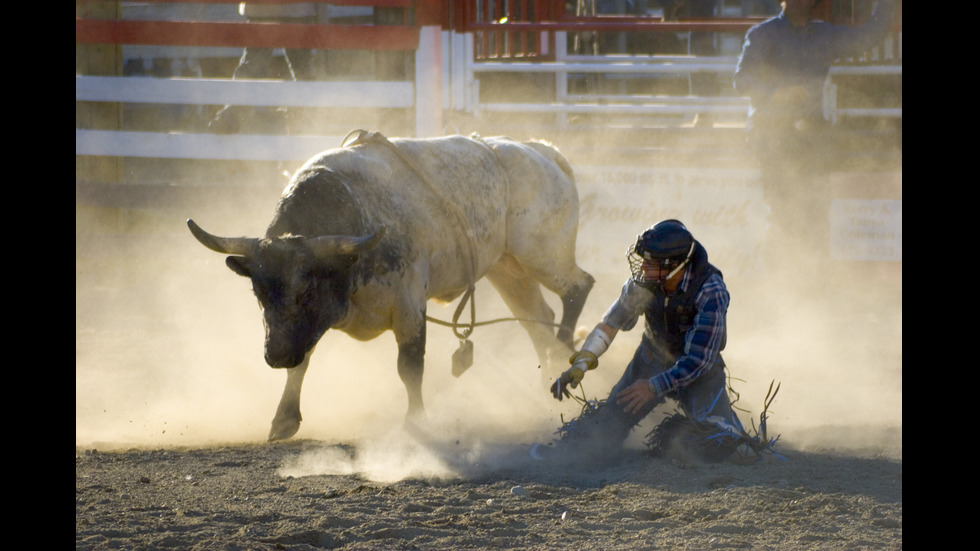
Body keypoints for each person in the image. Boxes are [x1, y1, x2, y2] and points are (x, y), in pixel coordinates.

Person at [531, 220, 755, 464]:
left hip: (699, 373)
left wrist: (653, 386)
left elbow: (699, 360)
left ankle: (692, 441)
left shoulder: (711, 290)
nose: (642, 267)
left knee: (724, 443)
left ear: (673, 267)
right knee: (607, 422)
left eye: (651, 263)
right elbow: (612, 322)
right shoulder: (645, 282)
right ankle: (569, 452)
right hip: (651, 360)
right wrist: (582, 362)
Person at [733, 0, 898, 267]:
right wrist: (777, 92)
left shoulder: (822, 34)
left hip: (807, 136)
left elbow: (868, 37)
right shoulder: (763, 34)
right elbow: (742, 80)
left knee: (816, 209)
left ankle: (810, 280)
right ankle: (784, 279)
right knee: (783, 211)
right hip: (774, 136)